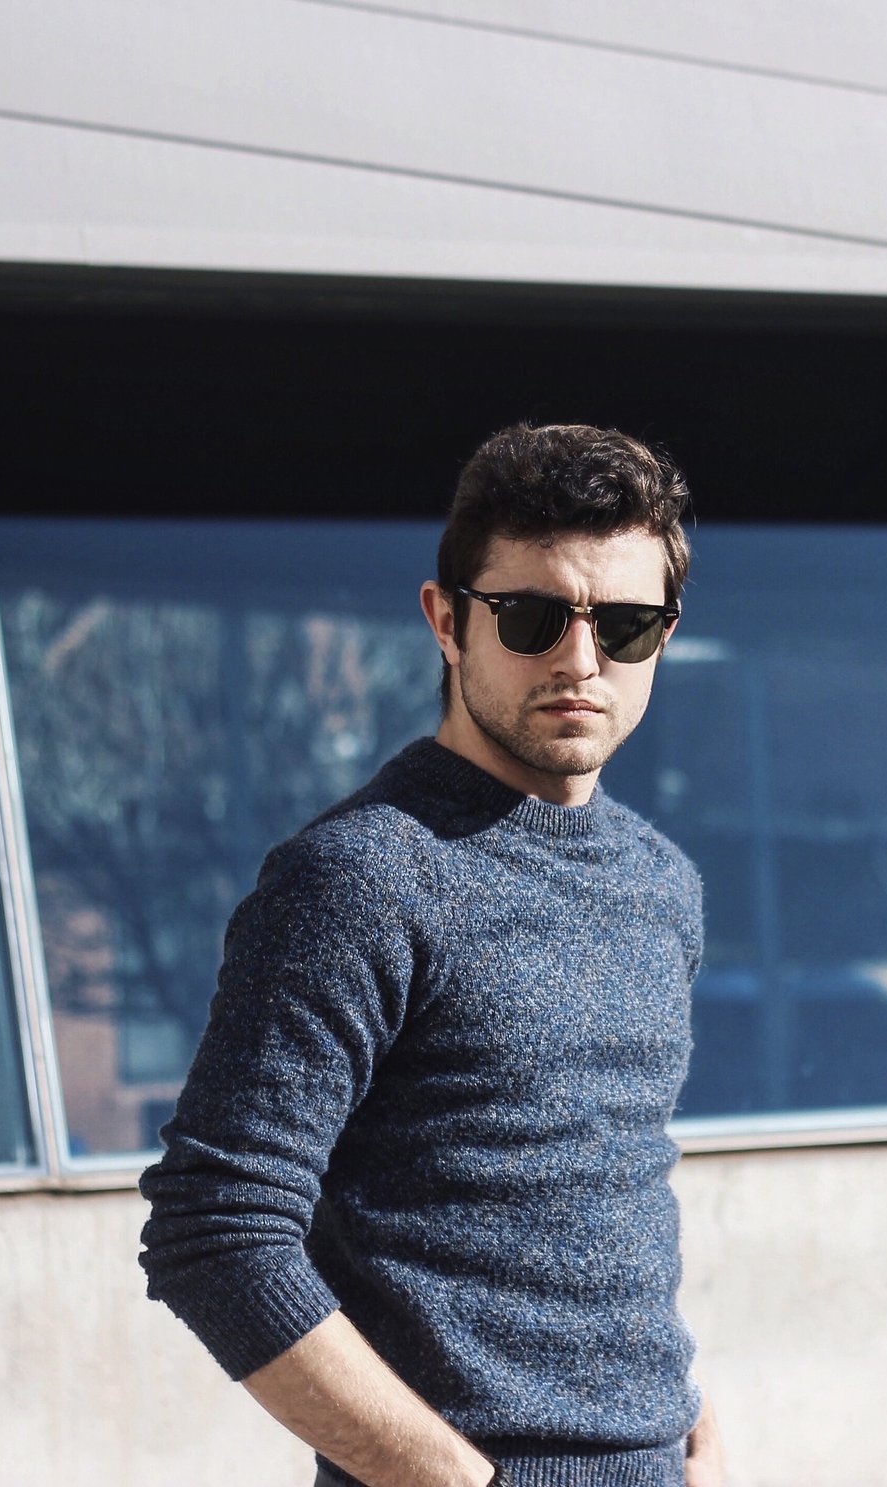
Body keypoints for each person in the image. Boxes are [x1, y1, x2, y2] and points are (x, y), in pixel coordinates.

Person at [137, 423, 729, 1487]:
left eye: (627, 624)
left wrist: (695, 1422)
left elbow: (606, 1192)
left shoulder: (660, 881)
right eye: (533, 616)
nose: (578, 660)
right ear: (446, 621)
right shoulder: (357, 879)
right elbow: (214, 1228)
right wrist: (450, 1477)